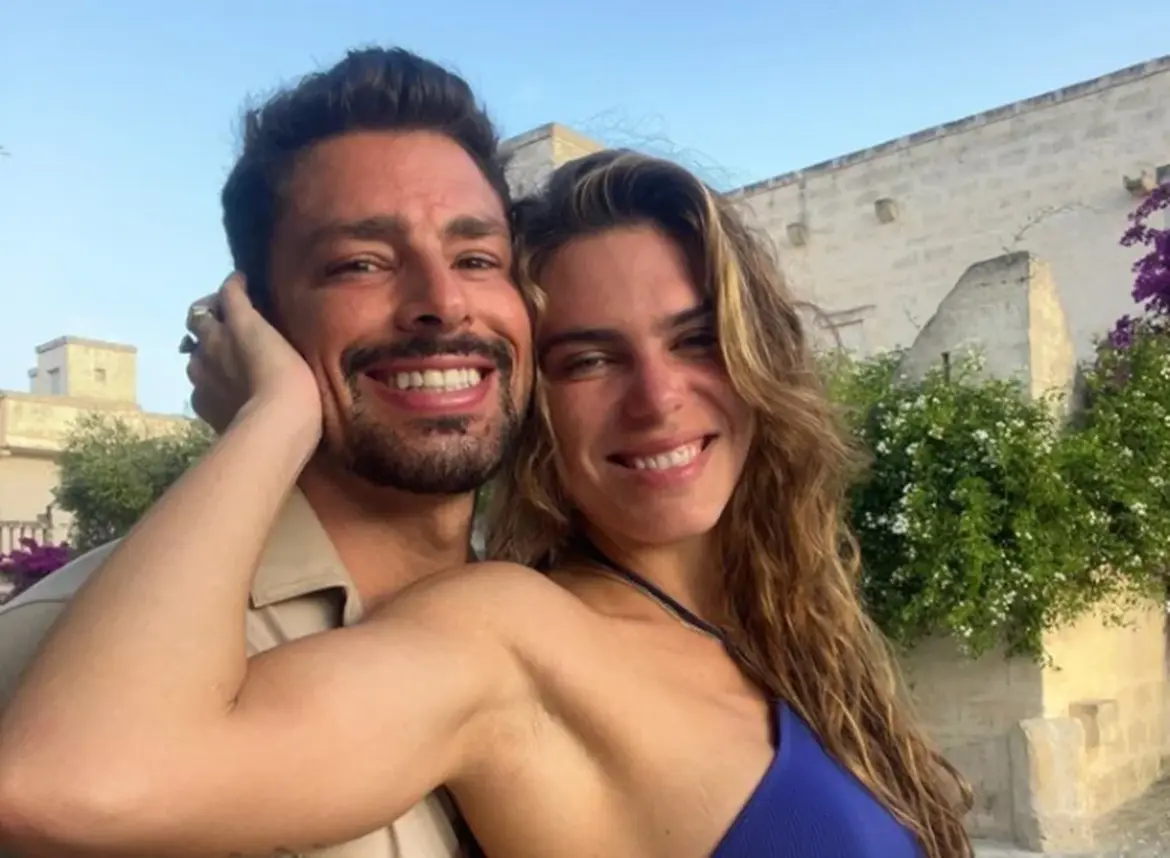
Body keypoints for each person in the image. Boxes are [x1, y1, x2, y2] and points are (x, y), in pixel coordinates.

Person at [0, 150, 974, 858]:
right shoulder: (505, 637)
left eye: (695, 340)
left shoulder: (789, 625)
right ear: (528, 399)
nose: (657, 398)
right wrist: (276, 414)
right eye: (587, 360)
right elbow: (70, 780)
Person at [0, 45, 529, 858]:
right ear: (253, 319)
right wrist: (275, 414)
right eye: (360, 264)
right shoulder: (62, 657)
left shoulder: (558, 606)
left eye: (477, 259)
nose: (443, 301)